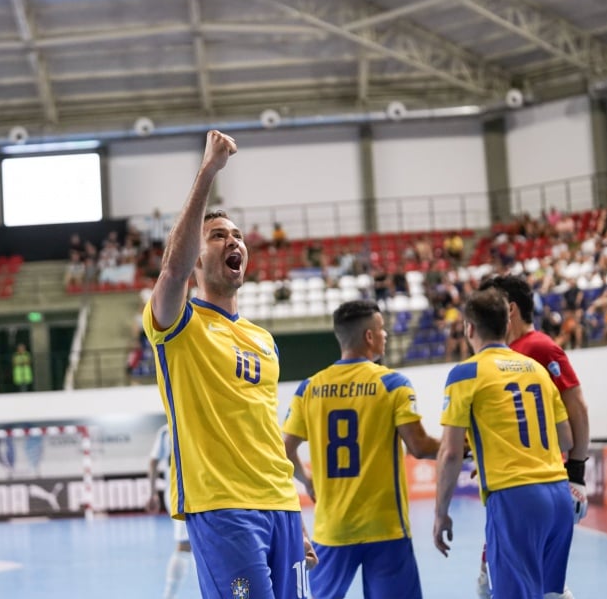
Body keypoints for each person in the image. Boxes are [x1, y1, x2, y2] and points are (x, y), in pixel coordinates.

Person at [141, 130, 317, 599]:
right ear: (195, 257)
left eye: (237, 235)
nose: (232, 240)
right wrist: (209, 170)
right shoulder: (177, 322)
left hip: (280, 507)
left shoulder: (262, 339)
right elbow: (171, 271)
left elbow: (262, 431)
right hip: (223, 510)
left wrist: (295, 517)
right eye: (217, 236)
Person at [282, 300, 440, 599]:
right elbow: (419, 447)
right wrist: (464, 445)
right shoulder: (393, 384)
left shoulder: (309, 388)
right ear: (369, 336)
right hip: (386, 527)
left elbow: (285, 451)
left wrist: (308, 481)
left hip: (333, 527)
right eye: (382, 330)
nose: (385, 335)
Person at [434, 288, 575, 599]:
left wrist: (440, 512)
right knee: (552, 594)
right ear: (507, 324)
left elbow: (451, 453)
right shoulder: (536, 370)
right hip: (559, 495)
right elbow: (566, 438)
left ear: (469, 328)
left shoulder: (465, 373)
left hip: (516, 498)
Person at [475, 274, 590, 598]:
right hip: (515, 485)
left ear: (509, 310)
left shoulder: (538, 347)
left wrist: (577, 473)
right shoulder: (506, 353)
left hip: (537, 483)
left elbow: (577, 406)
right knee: (517, 579)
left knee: (528, 583)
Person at [146, 424, 194, 599]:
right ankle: (168, 595)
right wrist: (152, 493)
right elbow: (153, 461)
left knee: (196, 545)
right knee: (186, 545)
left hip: (186, 491)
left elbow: (153, 461)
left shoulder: (165, 429)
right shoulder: (168, 430)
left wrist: (152, 493)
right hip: (181, 491)